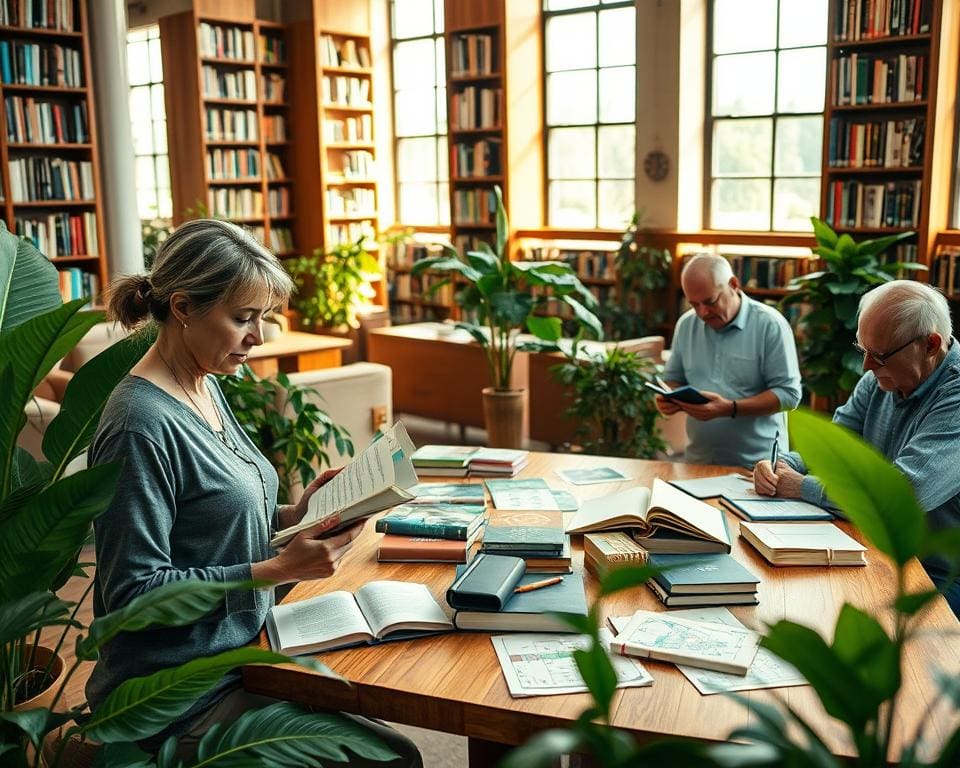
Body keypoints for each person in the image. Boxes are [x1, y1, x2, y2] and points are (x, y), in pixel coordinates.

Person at [86, 219, 422, 765]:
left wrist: (300, 512)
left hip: (243, 650)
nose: (258, 337)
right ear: (183, 308)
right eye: (243, 318)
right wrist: (277, 569)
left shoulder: (205, 383)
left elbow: (210, 524)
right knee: (391, 757)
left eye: (261, 318)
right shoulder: (140, 424)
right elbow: (132, 594)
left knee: (382, 702)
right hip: (174, 697)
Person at [754, 279, 960, 615]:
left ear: (931, 344)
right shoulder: (880, 377)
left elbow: (897, 497)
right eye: (863, 351)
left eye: (878, 356)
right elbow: (836, 447)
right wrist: (783, 464)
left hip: (938, 571)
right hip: (873, 548)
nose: (866, 367)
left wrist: (802, 486)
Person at [656, 253, 802, 467]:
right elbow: (672, 378)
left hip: (758, 468)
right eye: (694, 304)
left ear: (734, 284)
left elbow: (789, 395)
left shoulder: (770, 325)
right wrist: (667, 398)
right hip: (698, 461)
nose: (702, 312)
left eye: (710, 301)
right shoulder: (686, 324)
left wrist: (730, 408)